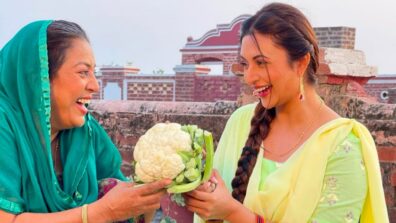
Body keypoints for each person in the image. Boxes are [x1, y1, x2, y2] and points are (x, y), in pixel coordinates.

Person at [185, 3, 388, 223]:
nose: (249, 77)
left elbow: (226, 209)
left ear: (301, 63)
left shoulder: (342, 145)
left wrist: (233, 212)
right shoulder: (241, 122)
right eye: (245, 64)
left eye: (261, 63)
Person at [0, 20, 170, 223]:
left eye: (94, 73)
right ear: (39, 78)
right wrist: (103, 212)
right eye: (83, 72)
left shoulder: (85, 132)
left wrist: (155, 185)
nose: (95, 86)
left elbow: (130, 212)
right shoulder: (5, 126)